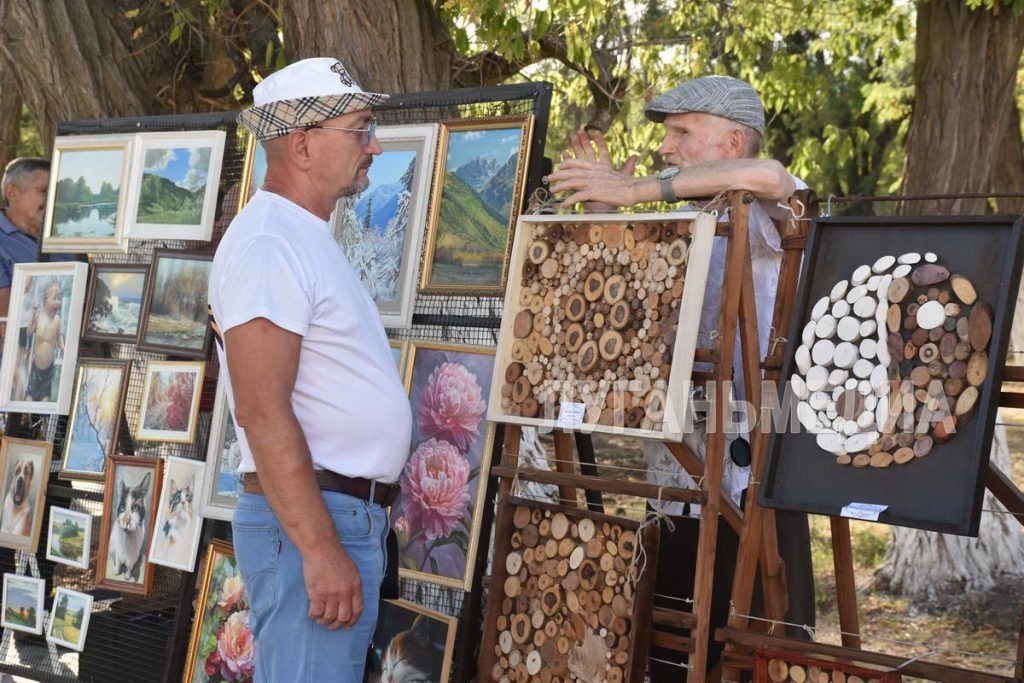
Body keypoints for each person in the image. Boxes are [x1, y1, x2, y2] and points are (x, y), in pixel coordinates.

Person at [549, 75, 815, 677]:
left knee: (759, 644)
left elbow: (772, 175)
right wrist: (603, 213)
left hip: (758, 474)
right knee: (672, 644)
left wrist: (634, 189)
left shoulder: (769, 206)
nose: (666, 147)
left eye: (682, 132)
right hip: (679, 469)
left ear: (732, 142)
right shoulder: (684, 219)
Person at [208, 57, 412, 682]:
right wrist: (321, 548)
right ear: (301, 144)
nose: (374, 145)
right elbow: (262, 409)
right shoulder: (270, 243)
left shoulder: (299, 236)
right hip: (314, 525)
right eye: (360, 129)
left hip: (332, 518)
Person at [0, 157, 50, 317]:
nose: (53, 198)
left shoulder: (65, 235)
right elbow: (3, 319)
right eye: (44, 190)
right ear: (12, 193)